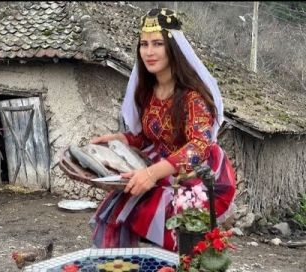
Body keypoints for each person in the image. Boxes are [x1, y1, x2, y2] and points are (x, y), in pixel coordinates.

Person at [90, 7, 236, 251]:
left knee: (168, 233)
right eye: (144, 44)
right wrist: (122, 139)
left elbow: (199, 146)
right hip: (157, 169)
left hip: (191, 177)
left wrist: (152, 174)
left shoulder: (193, 97)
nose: (149, 52)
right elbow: (149, 137)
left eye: (157, 43)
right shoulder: (146, 92)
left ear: (173, 48)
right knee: (121, 211)